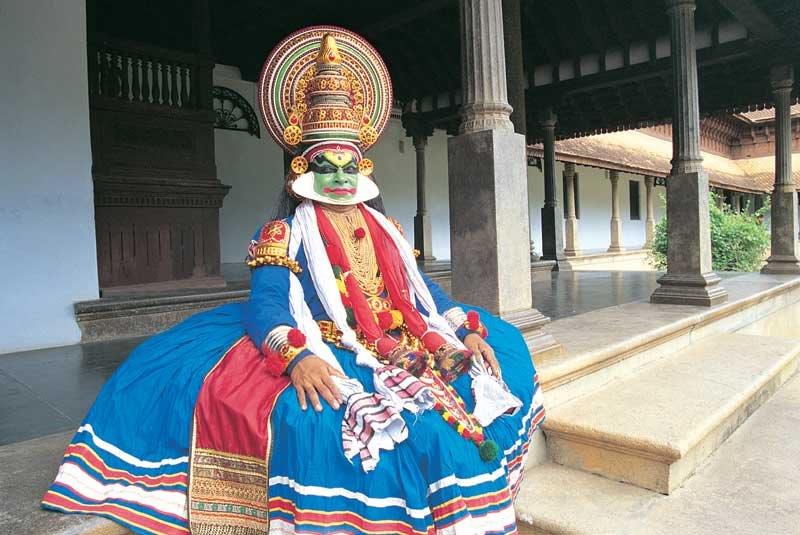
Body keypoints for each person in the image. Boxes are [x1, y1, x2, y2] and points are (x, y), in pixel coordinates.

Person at [42, 26, 544, 535]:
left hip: (404, 336)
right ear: (303, 169)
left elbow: (421, 294)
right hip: (332, 340)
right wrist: (298, 357)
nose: (342, 178)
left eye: (351, 166)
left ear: (364, 168)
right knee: (355, 428)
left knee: (500, 353)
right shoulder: (284, 232)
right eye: (327, 165)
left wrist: (465, 329)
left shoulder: (386, 228)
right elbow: (268, 309)